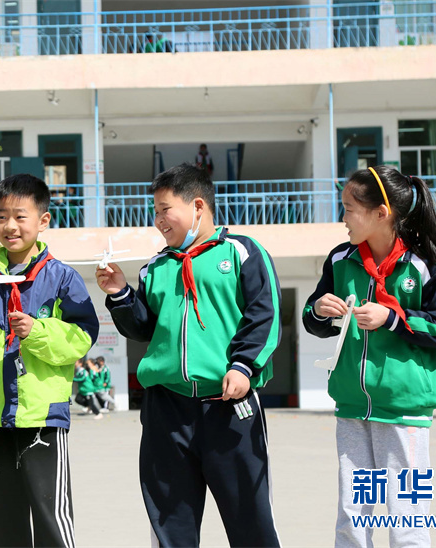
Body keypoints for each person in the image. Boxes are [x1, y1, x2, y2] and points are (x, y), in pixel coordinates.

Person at [96, 162, 282, 547]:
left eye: (166, 209)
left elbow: (266, 315)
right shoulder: (155, 267)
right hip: (167, 410)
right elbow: (143, 329)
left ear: (198, 206)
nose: (158, 220)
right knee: (170, 521)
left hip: (229, 407)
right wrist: (120, 294)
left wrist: (244, 366)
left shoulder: (242, 252)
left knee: (250, 518)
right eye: (156, 211)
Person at [302, 165, 436, 548]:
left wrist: (392, 318)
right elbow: (313, 319)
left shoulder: (426, 266)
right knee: (352, 516)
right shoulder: (340, 260)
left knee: (405, 515)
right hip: (352, 406)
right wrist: (318, 309)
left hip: (404, 408)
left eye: (348, 208)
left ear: (381, 213)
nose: (342, 218)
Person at [0, 173, 99, 548]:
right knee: (1, 520)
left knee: (50, 517)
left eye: (20, 216)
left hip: (42, 417)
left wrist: (37, 331)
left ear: (43, 220)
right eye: (2, 216)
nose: (9, 226)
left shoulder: (62, 277)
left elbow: (81, 338)